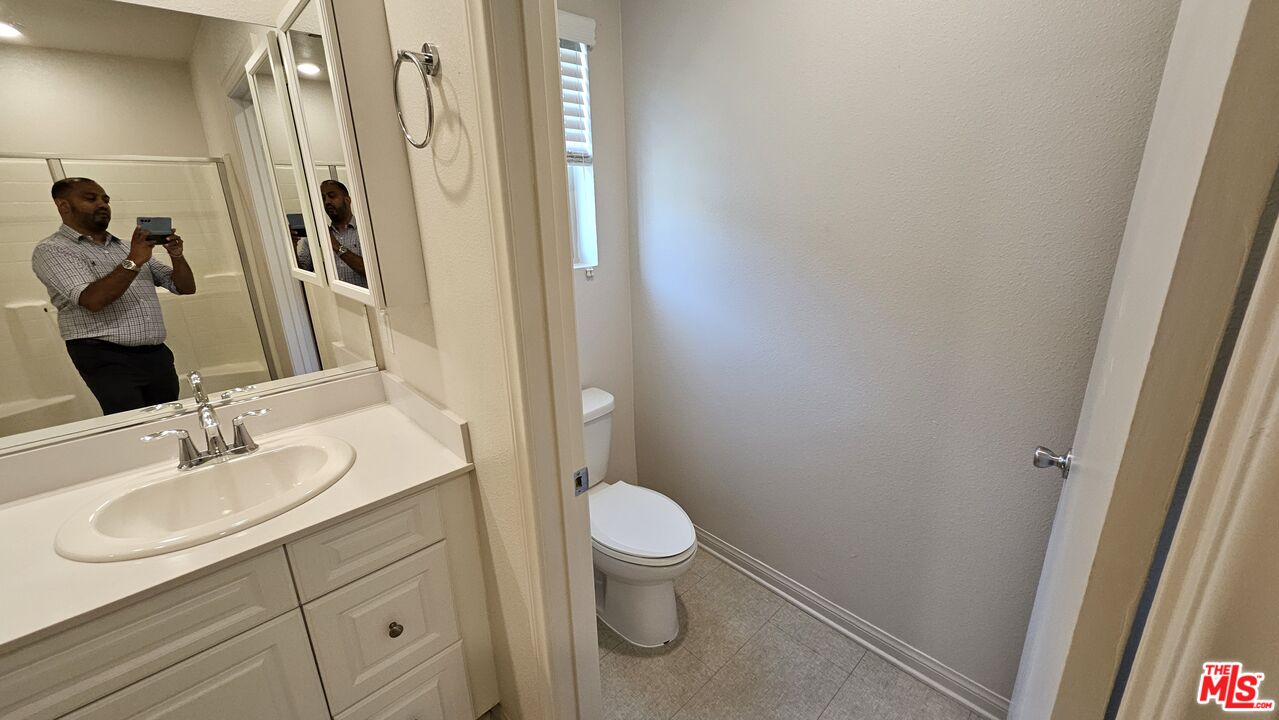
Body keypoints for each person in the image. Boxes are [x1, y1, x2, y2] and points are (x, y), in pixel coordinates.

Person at [31, 177, 196, 415]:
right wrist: (135, 259)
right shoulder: (53, 250)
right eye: (91, 198)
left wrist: (177, 255)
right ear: (63, 205)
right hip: (105, 356)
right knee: (131, 426)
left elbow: (184, 287)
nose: (102, 204)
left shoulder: (125, 248)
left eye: (105, 199)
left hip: (155, 355)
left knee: (168, 418)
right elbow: (92, 300)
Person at [295, 179, 367, 287]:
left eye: (332, 196)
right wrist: (293, 247)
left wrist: (335, 245)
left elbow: (370, 271)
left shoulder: (366, 232)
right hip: (330, 302)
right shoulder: (315, 237)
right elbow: (303, 275)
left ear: (347, 200)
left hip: (364, 302)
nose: (327, 202)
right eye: (323, 199)